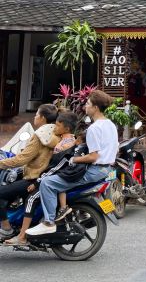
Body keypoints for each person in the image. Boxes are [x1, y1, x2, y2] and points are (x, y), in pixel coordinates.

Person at [27, 90, 118, 236]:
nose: (85, 107)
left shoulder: (94, 128)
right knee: (62, 177)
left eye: (88, 104)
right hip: (106, 169)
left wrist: (74, 159)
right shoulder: (110, 125)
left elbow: (93, 156)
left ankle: (48, 222)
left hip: (94, 170)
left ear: (95, 107)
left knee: (48, 183)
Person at [3, 111, 77, 246]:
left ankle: (21, 236)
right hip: (45, 177)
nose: (55, 127)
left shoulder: (63, 144)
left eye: (58, 125)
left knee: (30, 199)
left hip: (42, 178)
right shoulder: (60, 139)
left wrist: (37, 182)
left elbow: (55, 167)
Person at [0, 104, 60, 239]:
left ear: (43, 118)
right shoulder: (55, 133)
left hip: (34, 177)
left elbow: (21, 159)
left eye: (37, 114)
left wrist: (1, 164)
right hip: (43, 175)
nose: (35, 117)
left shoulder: (39, 136)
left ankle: (7, 229)